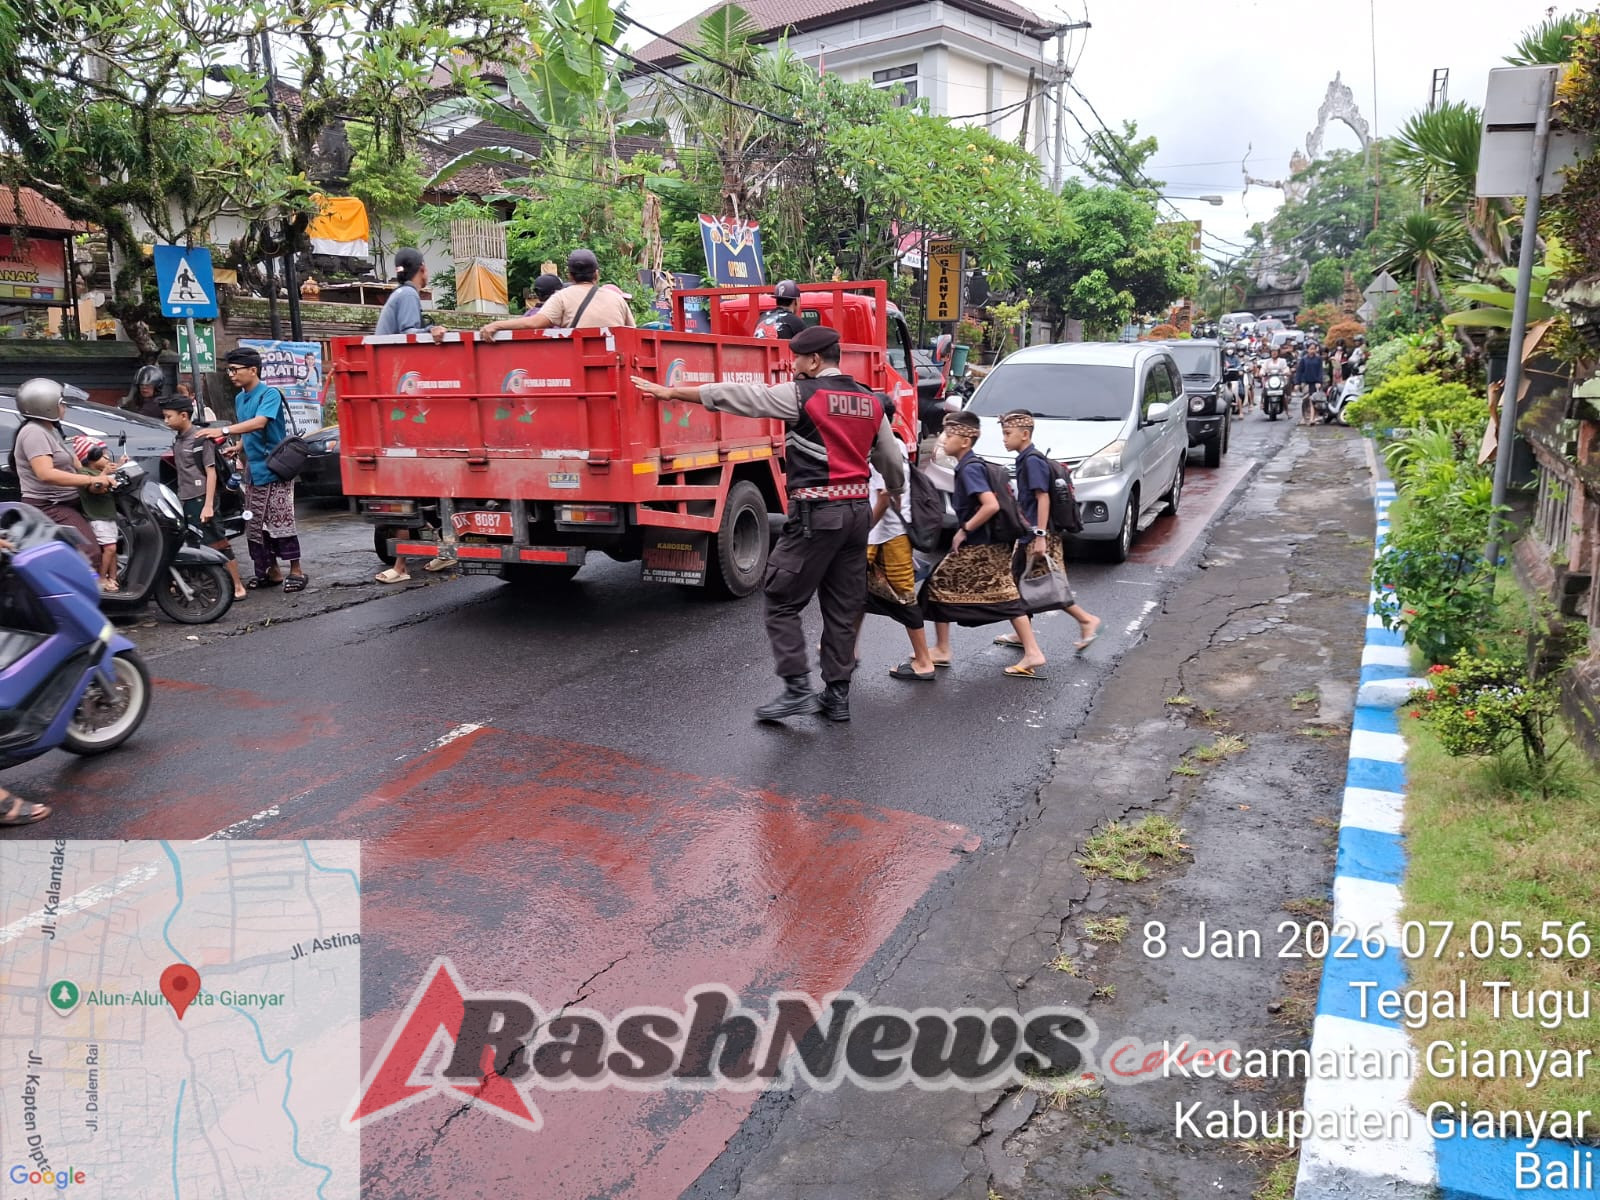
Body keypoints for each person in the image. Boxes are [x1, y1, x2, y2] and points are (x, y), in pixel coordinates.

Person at [628, 324, 903, 723]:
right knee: (843, 607)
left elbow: (740, 397)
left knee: (781, 599)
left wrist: (670, 392)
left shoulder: (802, 396)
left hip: (816, 516)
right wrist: (893, 489)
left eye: (797, 359)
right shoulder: (869, 401)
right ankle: (837, 696)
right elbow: (891, 461)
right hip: (857, 514)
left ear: (812, 360)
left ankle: (795, 689)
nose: (793, 365)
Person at [923, 411, 1048, 678]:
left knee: (1005, 596)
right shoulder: (970, 464)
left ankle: (1033, 651)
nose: (944, 439)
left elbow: (990, 505)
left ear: (966, 440)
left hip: (983, 545)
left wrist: (964, 530)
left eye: (950, 434)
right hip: (989, 543)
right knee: (940, 587)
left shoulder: (970, 468)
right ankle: (942, 648)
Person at [370, 248, 457, 583]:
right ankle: (411, 562)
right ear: (423, 269)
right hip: (399, 396)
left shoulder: (399, 295)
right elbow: (407, 339)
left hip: (395, 397)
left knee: (410, 489)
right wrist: (433, 331)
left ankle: (420, 558)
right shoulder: (408, 295)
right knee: (404, 489)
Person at [994, 411, 1101, 653]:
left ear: (1024, 435)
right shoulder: (1025, 458)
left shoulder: (1032, 460)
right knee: (1020, 582)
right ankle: (1023, 634)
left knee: (1050, 586)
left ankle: (1087, 620)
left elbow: (1043, 498)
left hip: (1039, 535)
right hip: (1029, 533)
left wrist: (1040, 535)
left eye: (1007, 433)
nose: (1004, 439)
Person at [207, 346, 307, 592]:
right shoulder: (240, 397)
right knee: (255, 525)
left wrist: (225, 430)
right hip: (254, 472)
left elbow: (261, 422)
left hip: (275, 471)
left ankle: (296, 571)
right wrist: (238, 446)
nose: (230, 374)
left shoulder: (269, 394)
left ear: (253, 370)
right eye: (228, 370)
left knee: (282, 522)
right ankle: (270, 571)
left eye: (234, 369)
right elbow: (251, 428)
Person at [11, 377, 112, 566]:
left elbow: (74, 463)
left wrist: (99, 473)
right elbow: (46, 474)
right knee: (89, 553)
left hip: (68, 500)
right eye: (60, 403)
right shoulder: (34, 433)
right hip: (50, 506)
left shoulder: (51, 429)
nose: (64, 406)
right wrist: (88, 482)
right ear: (45, 406)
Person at [859, 436, 936, 681]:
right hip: (880, 536)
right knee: (854, 588)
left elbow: (884, 497)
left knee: (903, 596)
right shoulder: (896, 446)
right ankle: (846, 648)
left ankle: (924, 661)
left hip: (890, 536)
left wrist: (864, 529)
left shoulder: (885, 452)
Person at [161, 396, 247, 600]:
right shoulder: (179, 439)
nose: (166, 421)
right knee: (195, 543)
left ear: (183, 415)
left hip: (202, 498)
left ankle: (237, 586)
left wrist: (208, 505)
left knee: (218, 541)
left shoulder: (201, 440)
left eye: (168, 417)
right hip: (186, 498)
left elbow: (211, 473)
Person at [478, 249, 635, 335]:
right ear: (597, 274)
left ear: (570, 275)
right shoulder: (617, 298)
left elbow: (534, 323)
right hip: (616, 363)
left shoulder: (561, 297)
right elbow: (632, 333)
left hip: (578, 362)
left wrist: (497, 325)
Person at [70, 436, 123, 592]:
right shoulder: (85, 473)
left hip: (109, 516)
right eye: (102, 454)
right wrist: (105, 473)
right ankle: (101, 578)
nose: (107, 457)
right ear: (91, 456)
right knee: (110, 548)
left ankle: (113, 578)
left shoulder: (99, 471)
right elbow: (95, 487)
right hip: (98, 518)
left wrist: (119, 466)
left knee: (113, 550)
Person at [375, 248, 447, 342]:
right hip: (390, 354)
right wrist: (430, 330)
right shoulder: (408, 294)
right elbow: (407, 333)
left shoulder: (401, 292)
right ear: (422, 268)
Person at [1295, 341, 1325, 425]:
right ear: (1307, 349)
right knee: (1305, 400)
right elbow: (1299, 371)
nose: (1313, 350)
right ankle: (1304, 418)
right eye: (1311, 349)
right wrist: (1297, 383)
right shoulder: (1304, 359)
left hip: (1314, 382)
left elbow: (1320, 371)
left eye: (1314, 349)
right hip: (1305, 382)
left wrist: (1319, 381)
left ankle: (1312, 418)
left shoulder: (1318, 359)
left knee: (1313, 401)